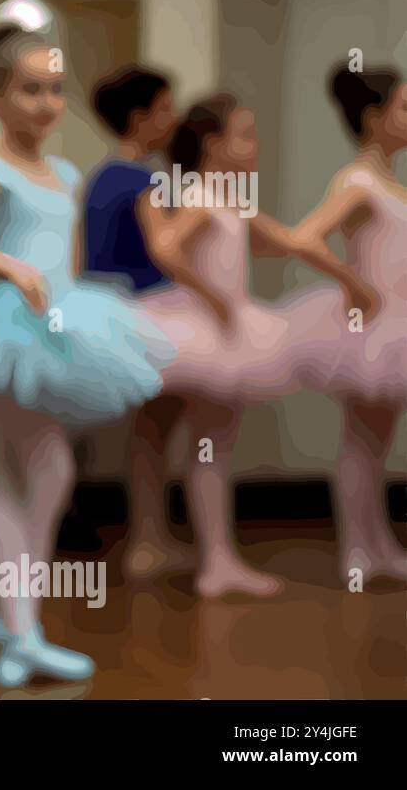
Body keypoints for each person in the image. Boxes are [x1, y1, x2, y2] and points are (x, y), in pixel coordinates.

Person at [0, 25, 172, 688]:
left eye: (55, 90)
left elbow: (68, 259)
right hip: (5, 327)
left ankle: (15, 619)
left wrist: (70, 301)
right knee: (40, 470)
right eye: (30, 89)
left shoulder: (67, 173)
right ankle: (21, 633)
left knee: (39, 472)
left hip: (58, 321)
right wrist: (16, 271)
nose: (45, 103)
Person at [134, 93, 376, 597]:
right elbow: (165, 247)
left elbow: (289, 241)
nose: (255, 145)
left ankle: (218, 558)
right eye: (244, 135)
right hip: (210, 329)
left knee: (215, 444)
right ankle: (216, 560)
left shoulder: (230, 200)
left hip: (230, 328)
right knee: (211, 443)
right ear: (213, 145)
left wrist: (350, 278)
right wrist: (212, 297)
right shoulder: (201, 196)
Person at [290, 64, 405, 582]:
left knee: (376, 442)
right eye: (405, 107)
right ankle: (358, 550)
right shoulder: (357, 181)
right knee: (361, 440)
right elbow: (305, 237)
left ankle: (378, 544)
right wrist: (355, 285)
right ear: (375, 117)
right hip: (374, 328)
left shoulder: (389, 182)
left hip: (396, 324)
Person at [82, 66, 192, 579]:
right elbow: (163, 248)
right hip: (146, 309)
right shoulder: (144, 178)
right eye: (165, 109)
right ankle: (149, 540)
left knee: (149, 432)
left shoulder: (101, 176)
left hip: (108, 307)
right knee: (154, 432)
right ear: (140, 117)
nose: (174, 119)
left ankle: (151, 536)